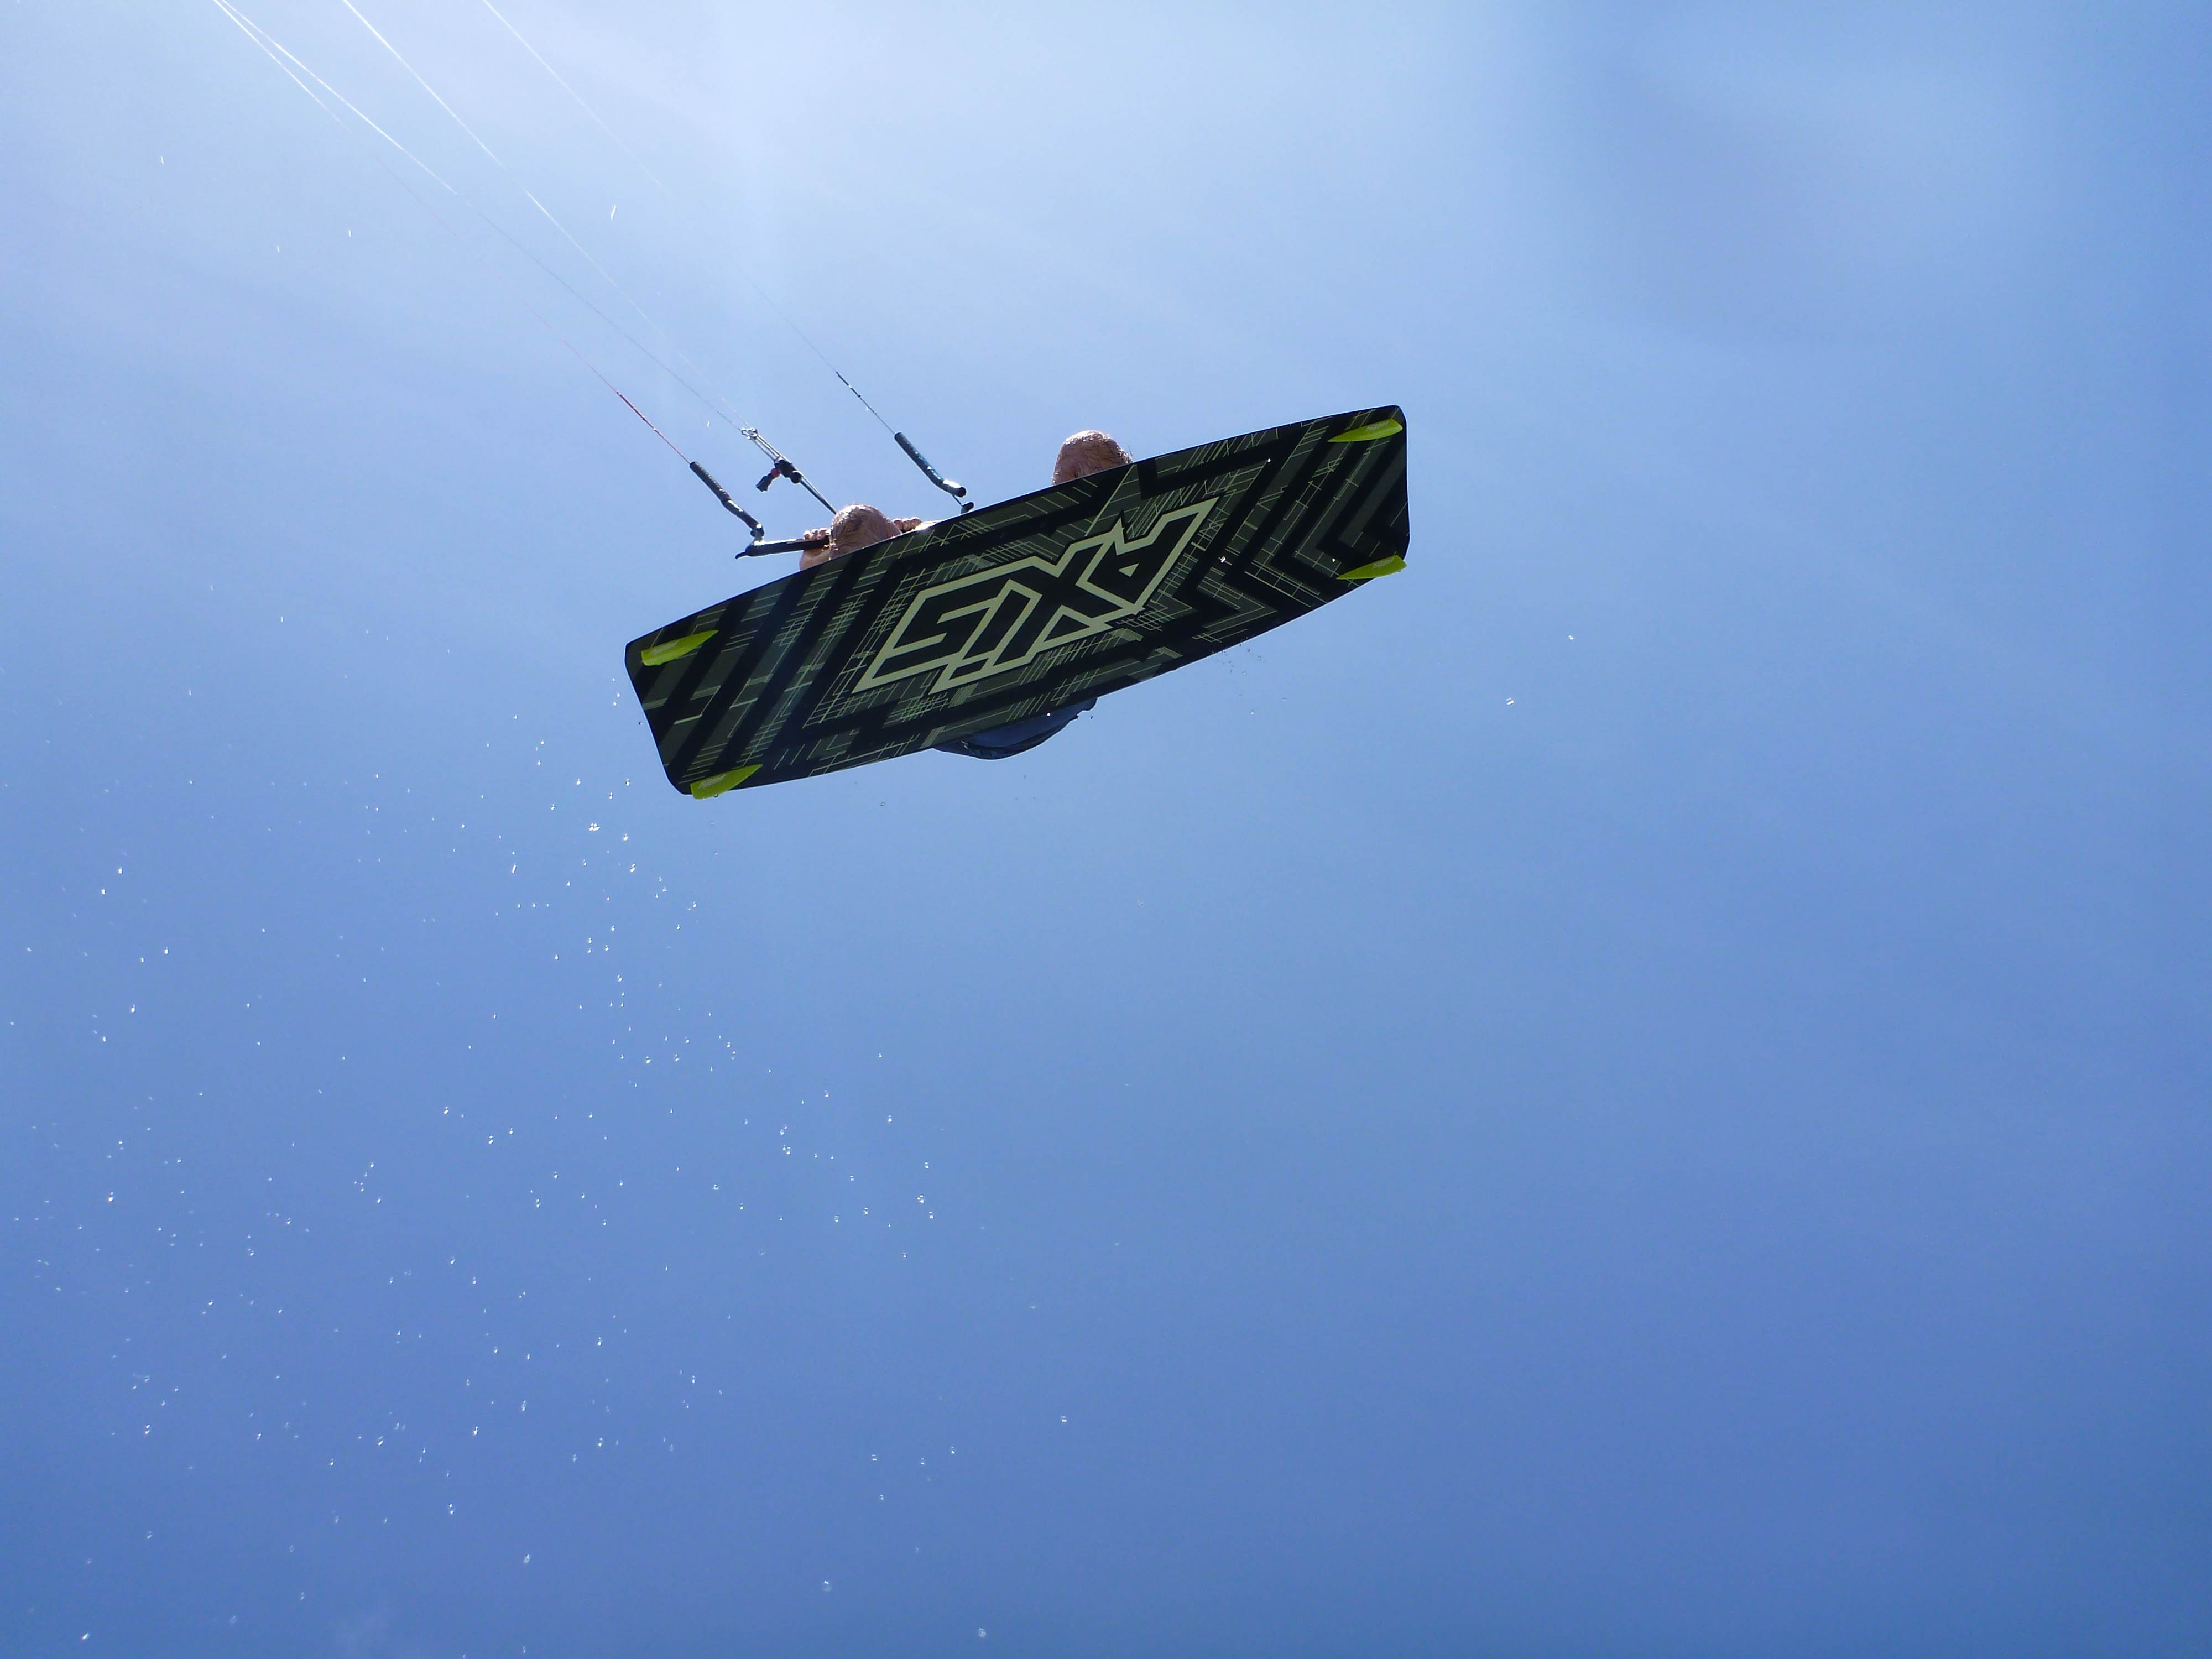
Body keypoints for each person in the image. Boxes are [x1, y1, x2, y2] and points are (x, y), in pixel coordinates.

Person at [797, 431, 1137, 758]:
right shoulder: (917, 594)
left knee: (1088, 446)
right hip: (973, 718)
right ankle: (849, 562)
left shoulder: (991, 565)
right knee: (858, 520)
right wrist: (822, 559)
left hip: (1053, 664)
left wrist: (919, 534)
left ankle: (1131, 524)